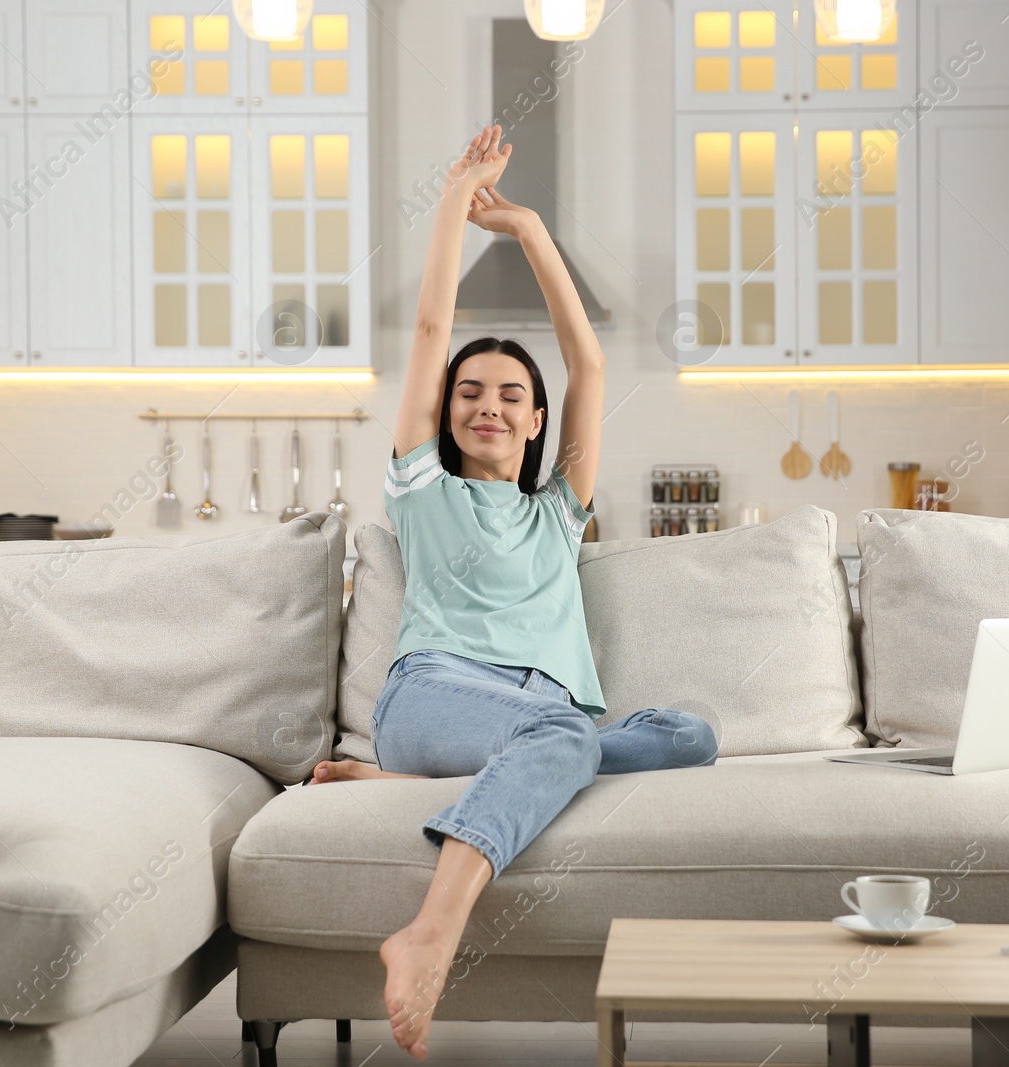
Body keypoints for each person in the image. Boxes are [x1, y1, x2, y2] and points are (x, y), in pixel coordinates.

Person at [309, 124, 718, 1060]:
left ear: (537, 422)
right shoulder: (425, 490)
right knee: (563, 733)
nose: (487, 405)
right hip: (435, 694)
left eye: (509, 395)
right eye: (468, 393)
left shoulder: (558, 512)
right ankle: (430, 931)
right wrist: (457, 196)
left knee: (692, 733)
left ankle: (417, 785)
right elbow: (427, 329)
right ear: (446, 414)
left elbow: (594, 364)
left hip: (544, 717)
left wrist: (530, 228)